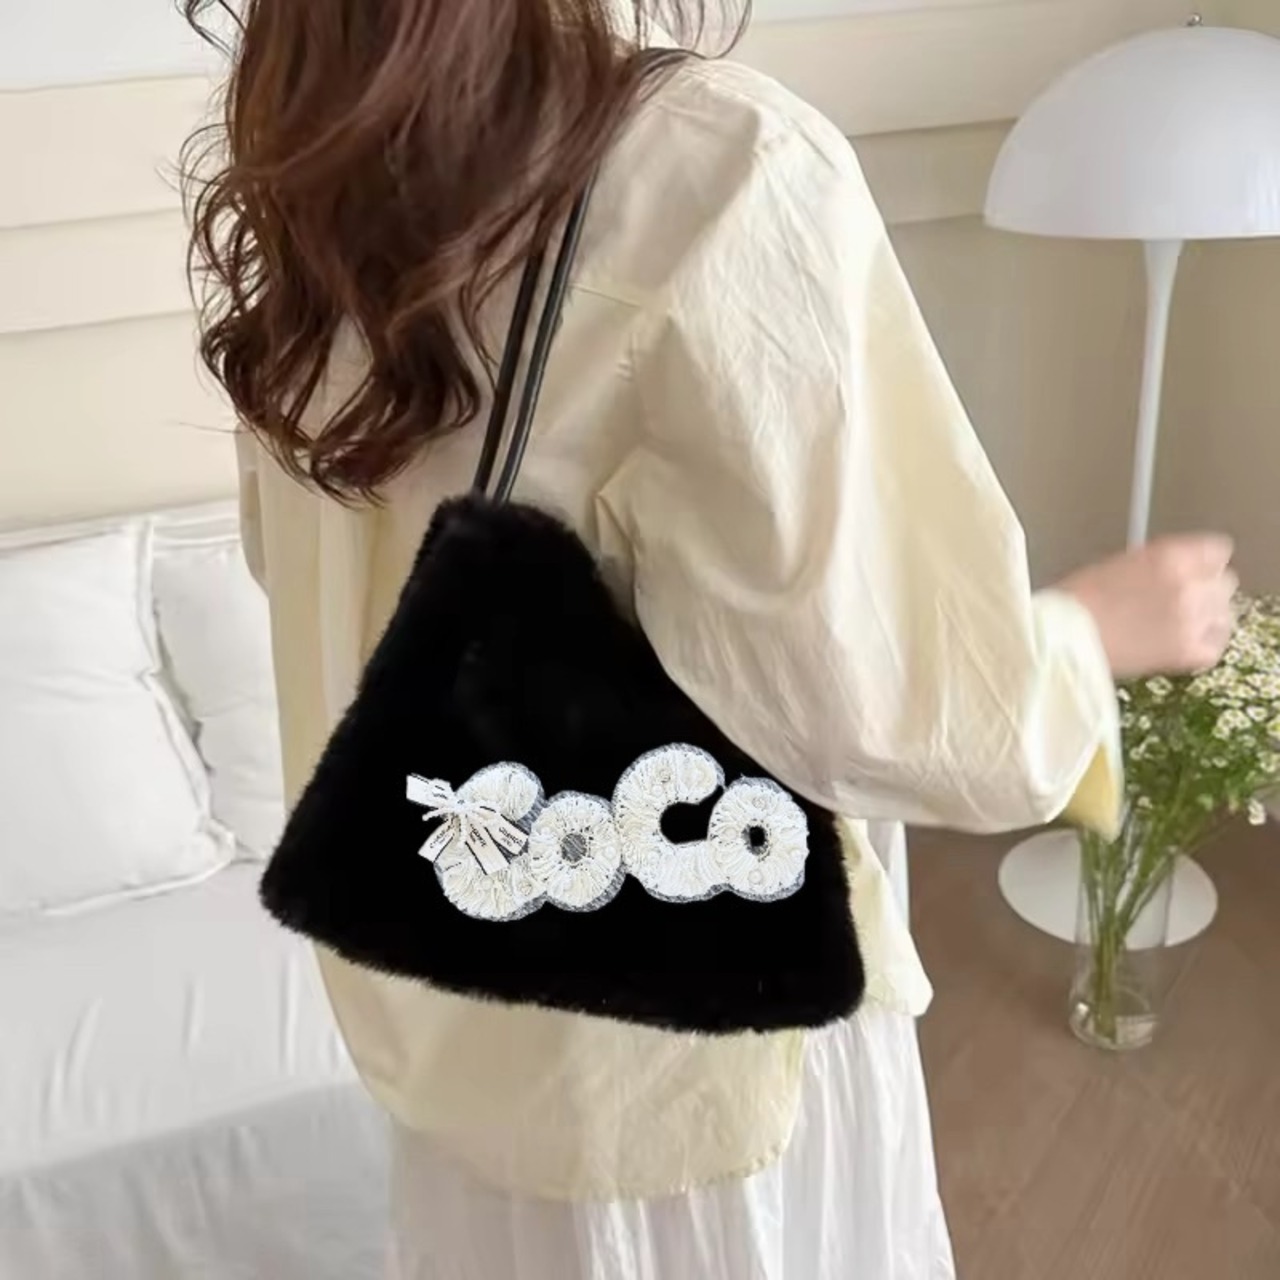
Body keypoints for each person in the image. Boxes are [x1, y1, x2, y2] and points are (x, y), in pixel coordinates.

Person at [184, 2, 1237, 1276]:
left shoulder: (309, 170)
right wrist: (1084, 633)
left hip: (451, 1045)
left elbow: (301, 571)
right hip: (684, 1078)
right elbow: (886, 699)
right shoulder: (715, 173)